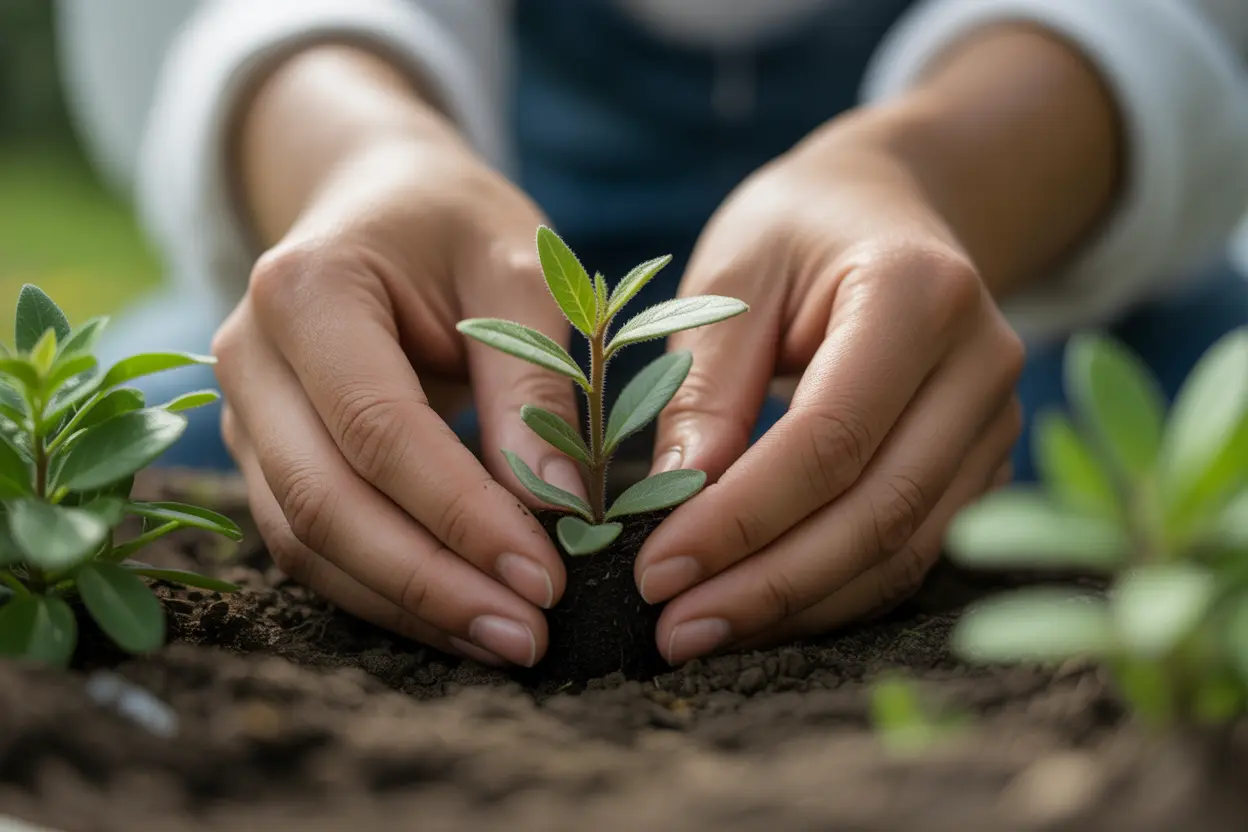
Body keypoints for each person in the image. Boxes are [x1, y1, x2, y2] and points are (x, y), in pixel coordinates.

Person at [57, 0, 1248, 670]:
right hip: (452, 302)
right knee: (176, 422)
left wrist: (935, 173)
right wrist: (357, 154)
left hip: (1019, 271)